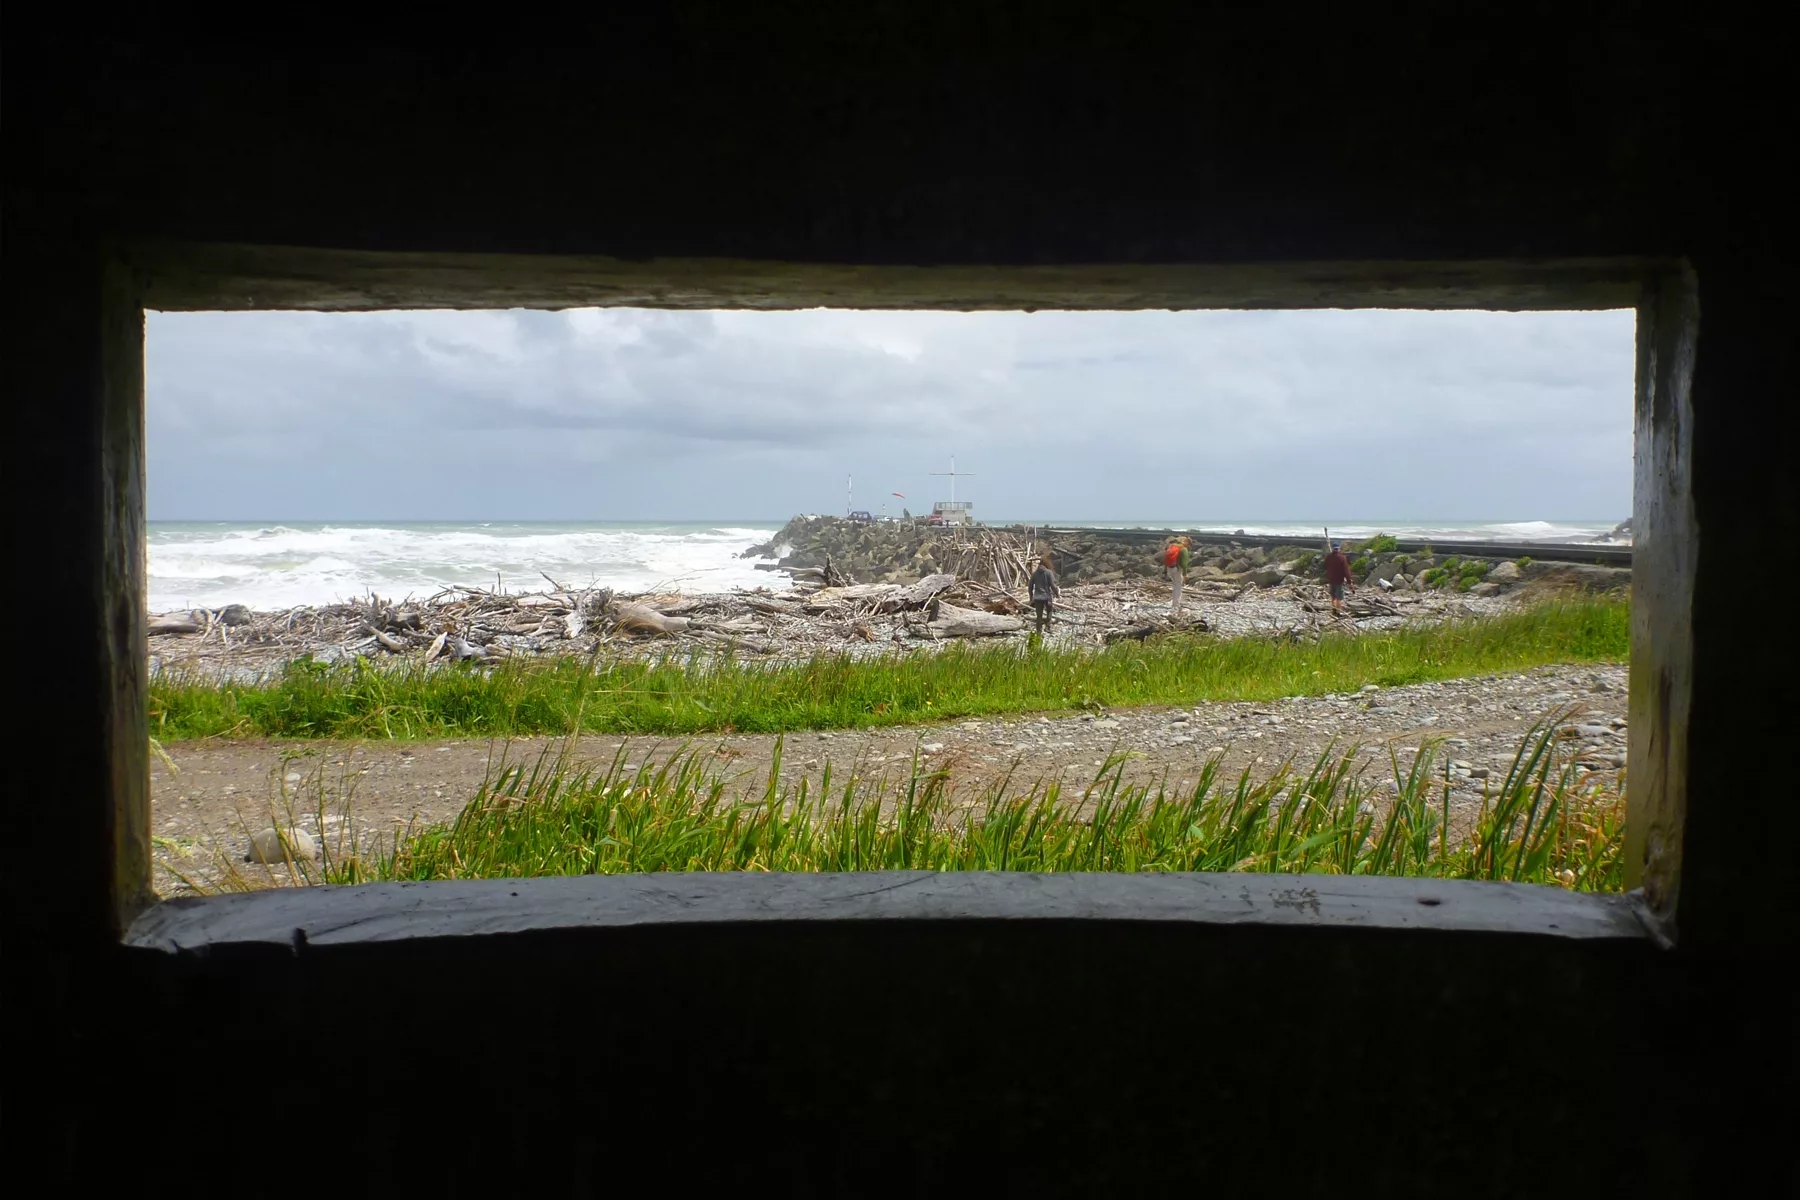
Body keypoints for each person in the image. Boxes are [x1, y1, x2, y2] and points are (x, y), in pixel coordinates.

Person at [1028, 554, 1060, 633]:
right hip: (1047, 597)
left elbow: (1030, 586)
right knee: (1049, 611)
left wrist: (1031, 596)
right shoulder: (1049, 573)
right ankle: (1047, 627)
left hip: (1038, 597)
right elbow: (1052, 585)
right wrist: (1057, 593)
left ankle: (1039, 631)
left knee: (1039, 615)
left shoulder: (1035, 574)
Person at [1323, 539, 1356, 614]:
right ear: (1339, 548)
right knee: (1339, 597)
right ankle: (1338, 611)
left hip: (1331, 579)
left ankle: (1333, 609)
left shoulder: (1329, 557)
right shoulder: (1342, 558)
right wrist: (1349, 581)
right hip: (1339, 580)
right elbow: (1346, 571)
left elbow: (1325, 566)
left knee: (1333, 596)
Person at [1162, 536, 1191, 616]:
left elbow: (1165, 558)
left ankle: (1174, 603)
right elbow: (1184, 564)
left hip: (1169, 568)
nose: (1189, 546)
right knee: (1178, 587)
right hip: (1176, 569)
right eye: (1189, 544)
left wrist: (1165, 570)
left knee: (1175, 585)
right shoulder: (1183, 549)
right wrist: (1185, 574)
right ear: (1187, 542)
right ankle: (1175, 604)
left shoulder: (1172, 546)